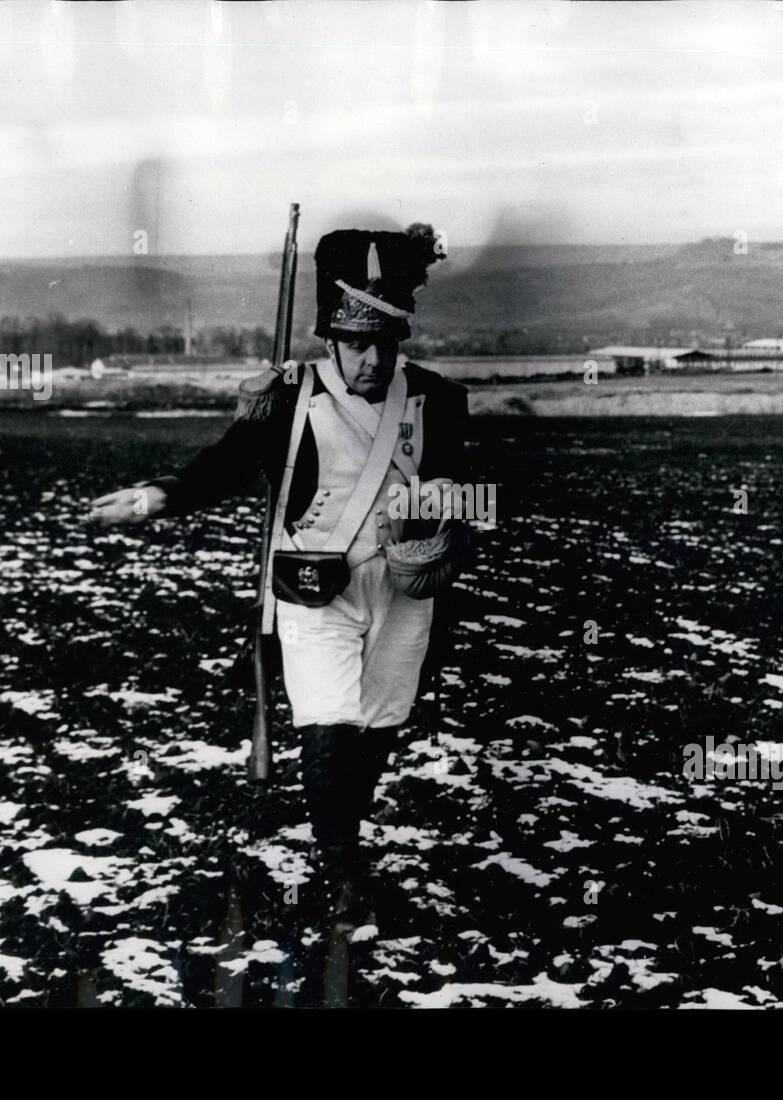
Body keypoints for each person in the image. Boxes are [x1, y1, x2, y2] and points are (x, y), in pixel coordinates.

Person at [87, 223, 470, 920]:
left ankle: (341, 830)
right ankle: (345, 870)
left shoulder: (439, 400)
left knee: (380, 723)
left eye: (385, 344)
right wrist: (155, 498)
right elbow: (226, 466)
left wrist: (448, 522)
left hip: (404, 590)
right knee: (327, 724)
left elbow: (462, 489)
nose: (372, 360)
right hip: (311, 592)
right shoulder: (289, 396)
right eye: (358, 344)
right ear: (331, 339)